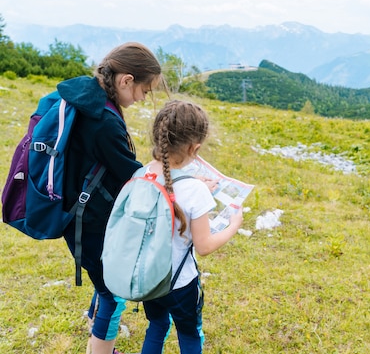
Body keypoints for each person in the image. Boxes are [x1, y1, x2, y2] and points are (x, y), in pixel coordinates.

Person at [59, 42, 163, 354]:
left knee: (103, 281)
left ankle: (95, 325)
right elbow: (132, 176)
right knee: (113, 292)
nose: (144, 98)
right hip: (89, 221)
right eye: (144, 90)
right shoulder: (104, 121)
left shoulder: (89, 97)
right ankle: (100, 349)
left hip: (78, 211)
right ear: (126, 80)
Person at [139, 100, 243, 354]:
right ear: (194, 148)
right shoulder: (194, 190)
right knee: (189, 333)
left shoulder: (140, 174)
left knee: (157, 324)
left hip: (148, 278)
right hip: (180, 283)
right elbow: (204, 246)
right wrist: (233, 226)